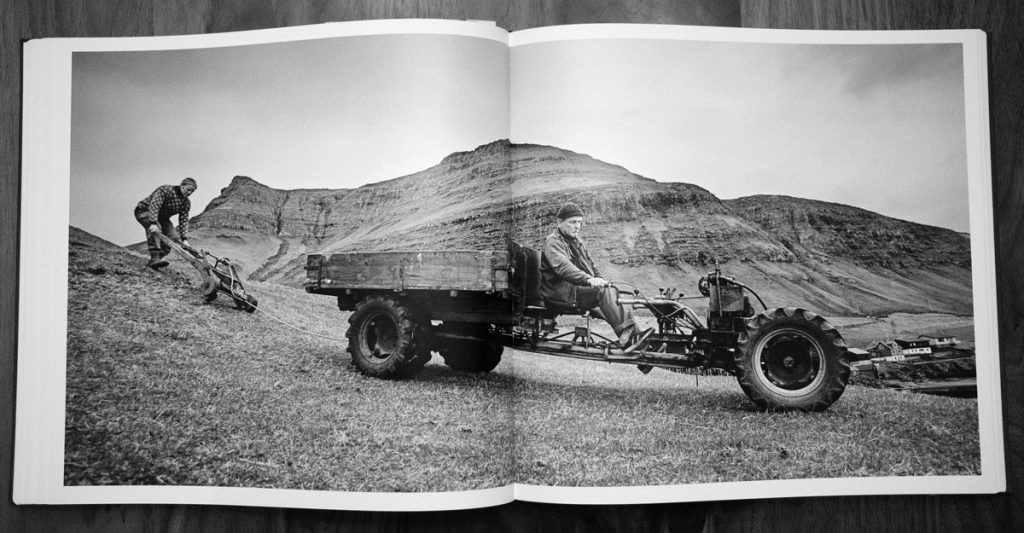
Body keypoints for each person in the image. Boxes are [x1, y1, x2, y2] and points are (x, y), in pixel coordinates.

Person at [540, 202, 654, 354]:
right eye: (573, 222)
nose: (577, 226)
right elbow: (563, 268)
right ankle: (631, 338)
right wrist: (589, 280)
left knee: (612, 291)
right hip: (559, 294)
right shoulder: (553, 242)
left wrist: (601, 281)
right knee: (603, 292)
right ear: (559, 222)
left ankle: (637, 341)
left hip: (572, 291)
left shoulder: (578, 243)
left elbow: (592, 267)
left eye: (579, 222)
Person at [134, 177, 197, 270]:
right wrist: (153, 223)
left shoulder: (186, 202)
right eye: (188, 190)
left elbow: (183, 219)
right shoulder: (165, 190)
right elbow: (155, 205)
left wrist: (184, 239)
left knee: (173, 237)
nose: (189, 193)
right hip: (144, 211)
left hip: (162, 217)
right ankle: (155, 258)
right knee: (157, 229)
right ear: (182, 186)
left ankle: (157, 259)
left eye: (192, 191)